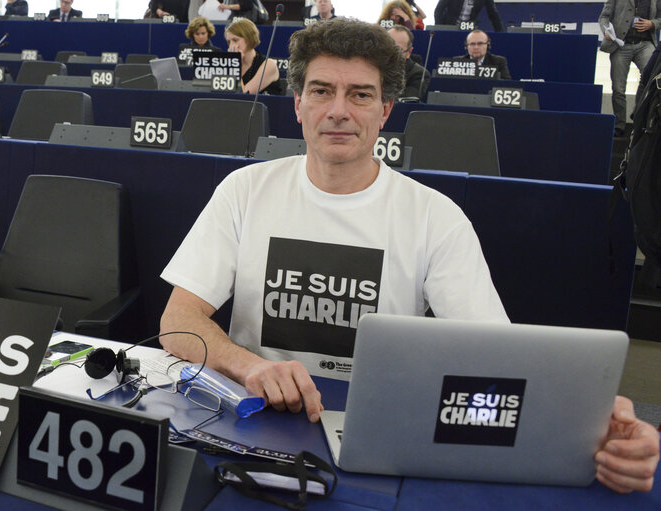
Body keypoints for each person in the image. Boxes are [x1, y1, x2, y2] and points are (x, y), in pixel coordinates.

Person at [158, 17, 659, 494]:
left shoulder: (434, 217)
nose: (338, 111)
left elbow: (501, 360)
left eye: (360, 95)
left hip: (386, 435)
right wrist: (247, 366)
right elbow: (178, 319)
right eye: (321, 91)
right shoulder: (245, 190)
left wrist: (590, 423)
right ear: (297, 104)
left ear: (385, 110)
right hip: (253, 423)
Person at [599, 0, 660, 137]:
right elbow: (604, 17)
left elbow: (659, 18)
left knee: (649, 79)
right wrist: (606, 31)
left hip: (645, 44)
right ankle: (619, 124)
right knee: (618, 88)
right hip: (620, 45)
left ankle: (638, 116)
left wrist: (652, 24)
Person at [224, 18, 281, 94]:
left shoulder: (269, 65)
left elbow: (243, 95)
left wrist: (236, 64)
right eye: (229, 42)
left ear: (249, 39)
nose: (231, 46)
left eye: (235, 40)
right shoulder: (228, 64)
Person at [388, 25, 429, 98]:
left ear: (409, 53)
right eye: (388, 47)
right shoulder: (371, 67)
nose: (391, 53)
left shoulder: (419, 74)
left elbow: (406, 100)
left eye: (398, 50)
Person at [434, 0, 504, 32]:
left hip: (470, 29)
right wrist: (439, 28)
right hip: (450, 27)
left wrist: (501, 33)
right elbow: (438, 10)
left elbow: (494, 15)